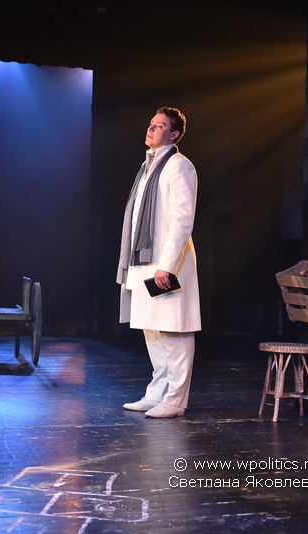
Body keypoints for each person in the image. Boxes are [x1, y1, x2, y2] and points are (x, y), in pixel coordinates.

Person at [116, 107, 200, 418]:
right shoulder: (147, 166)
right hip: (144, 258)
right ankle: (156, 394)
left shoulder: (179, 165)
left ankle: (176, 400)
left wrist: (167, 265)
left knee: (173, 329)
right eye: (151, 124)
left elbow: (182, 220)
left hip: (165, 261)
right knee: (151, 328)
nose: (151, 129)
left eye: (160, 126)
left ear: (174, 134)